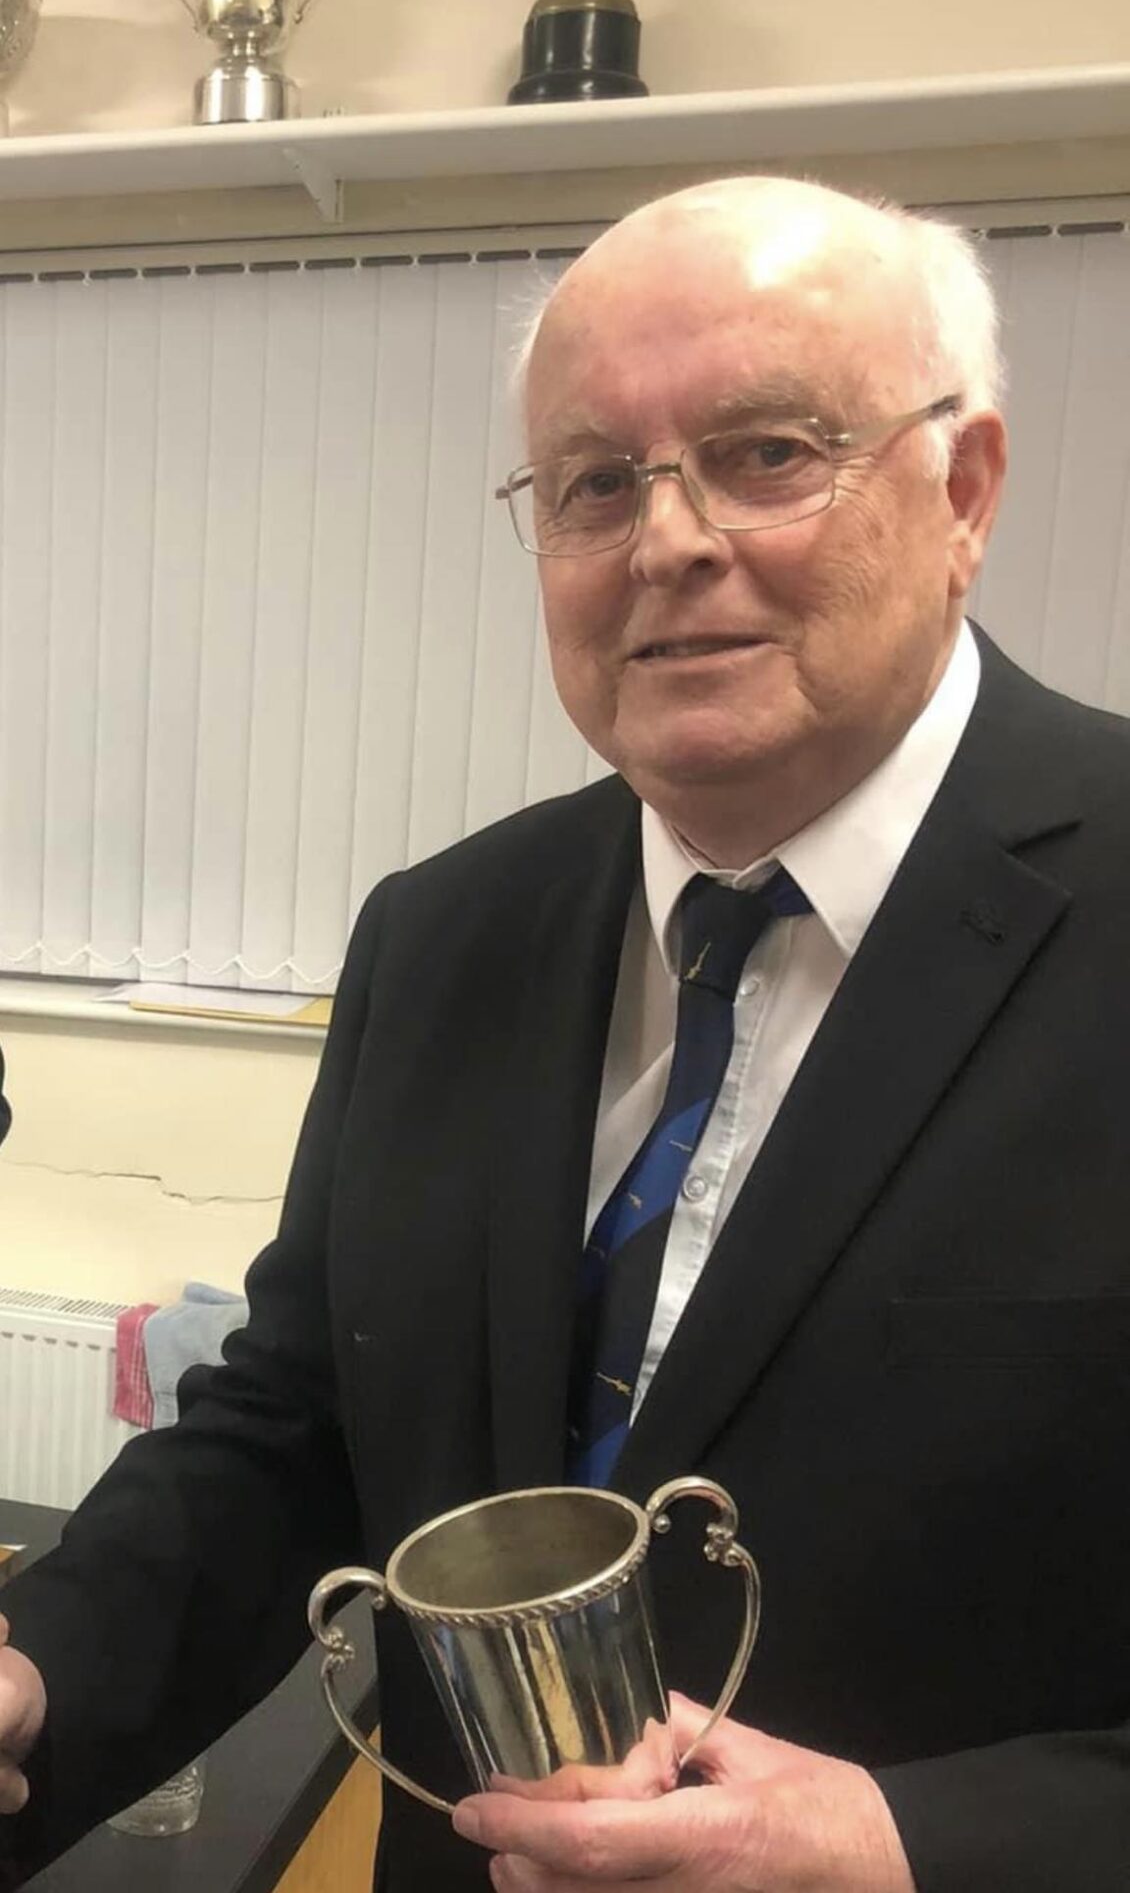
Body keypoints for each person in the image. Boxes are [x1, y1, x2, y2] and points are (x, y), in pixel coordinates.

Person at [2, 173, 1129, 1893]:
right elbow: (303, 1427)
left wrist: (907, 1842)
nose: (669, 541)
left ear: (961, 486)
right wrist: (39, 1665)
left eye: (767, 451)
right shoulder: (443, 933)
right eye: (596, 481)